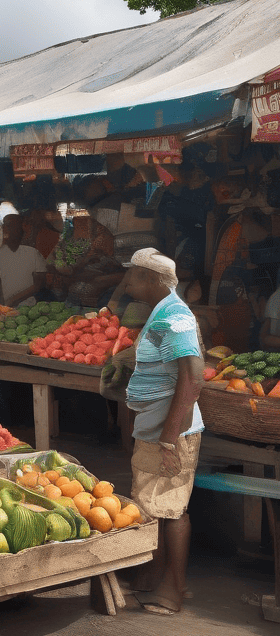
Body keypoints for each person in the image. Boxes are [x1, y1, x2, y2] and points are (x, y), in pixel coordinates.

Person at [123, 248, 204, 616]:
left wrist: (170, 439)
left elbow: (192, 378)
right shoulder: (161, 312)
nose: (128, 281)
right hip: (155, 428)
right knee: (152, 504)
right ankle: (153, 577)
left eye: (135, 275)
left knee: (171, 509)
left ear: (155, 281)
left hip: (170, 434)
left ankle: (174, 589)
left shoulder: (174, 314)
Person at [0, 214, 47, 306]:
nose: (5, 228)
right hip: (6, 307)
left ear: (20, 229)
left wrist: (14, 299)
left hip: (28, 307)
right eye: (4, 225)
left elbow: (39, 284)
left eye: (9, 225)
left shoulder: (33, 253)